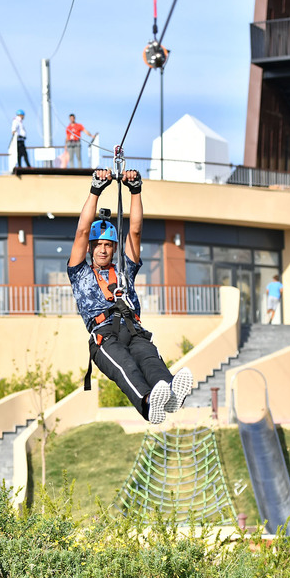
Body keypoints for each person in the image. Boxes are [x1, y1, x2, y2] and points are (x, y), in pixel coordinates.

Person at [67, 168, 192, 424]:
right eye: (98, 244)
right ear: (91, 248)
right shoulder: (80, 272)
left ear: (113, 248)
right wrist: (96, 190)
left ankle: (167, 392)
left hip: (133, 329)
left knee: (150, 359)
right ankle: (147, 405)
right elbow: (81, 232)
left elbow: (134, 231)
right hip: (104, 335)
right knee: (127, 366)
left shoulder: (125, 270)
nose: (102, 249)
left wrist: (135, 190)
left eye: (108, 245)